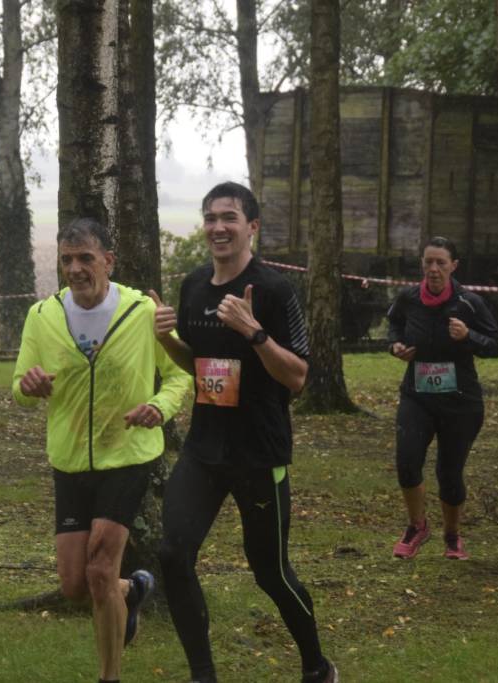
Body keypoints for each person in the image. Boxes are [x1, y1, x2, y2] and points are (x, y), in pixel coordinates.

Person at [152, 182, 337, 683]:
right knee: (173, 554)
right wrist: (165, 339)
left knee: (270, 573)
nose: (218, 227)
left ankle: (317, 667)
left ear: (252, 226)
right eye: (211, 217)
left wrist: (254, 333)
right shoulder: (194, 286)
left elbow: (298, 377)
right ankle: (203, 675)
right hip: (204, 449)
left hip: (258, 452)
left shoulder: (274, 290)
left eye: (229, 217)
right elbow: (198, 366)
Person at [11, 217, 192, 683]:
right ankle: (131, 591)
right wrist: (28, 385)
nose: (75, 268)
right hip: (69, 459)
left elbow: (179, 376)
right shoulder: (42, 316)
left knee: (99, 571)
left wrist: (159, 407)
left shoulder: (141, 312)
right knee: (75, 585)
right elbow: (19, 384)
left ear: (108, 261)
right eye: (66, 259)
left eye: (85, 258)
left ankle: (109, 676)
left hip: (127, 455)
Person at [387, 236, 498, 560]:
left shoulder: (469, 303)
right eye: (429, 262)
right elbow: (394, 325)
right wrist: (395, 346)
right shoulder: (408, 298)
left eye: (441, 262)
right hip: (417, 396)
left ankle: (452, 536)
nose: (434, 269)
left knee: (449, 473)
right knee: (407, 462)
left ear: (454, 266)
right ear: (421, 264)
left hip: (460, 401)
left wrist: (469, 336)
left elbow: (496, 345)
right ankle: (417, 526)